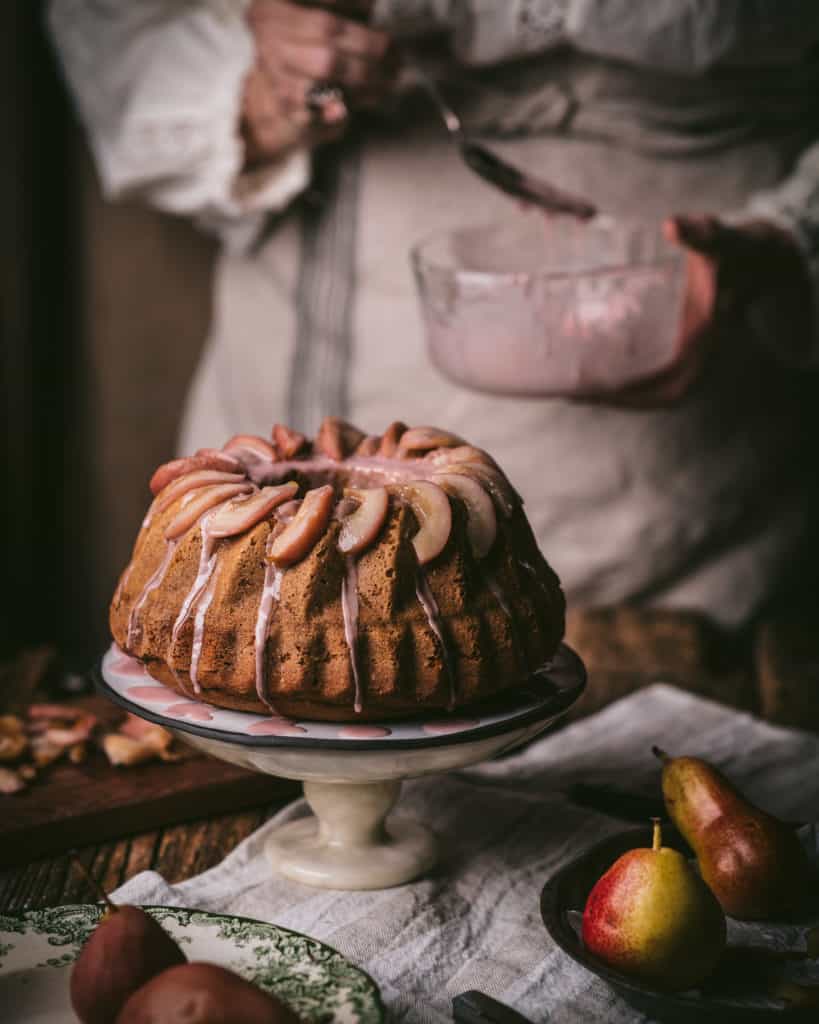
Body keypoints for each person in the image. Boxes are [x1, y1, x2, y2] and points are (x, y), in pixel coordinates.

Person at [49, 0, 819, 627]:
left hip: (690, 525)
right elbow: (115, 36)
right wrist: (255, 91)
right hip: (285, 427)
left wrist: (790, 235)